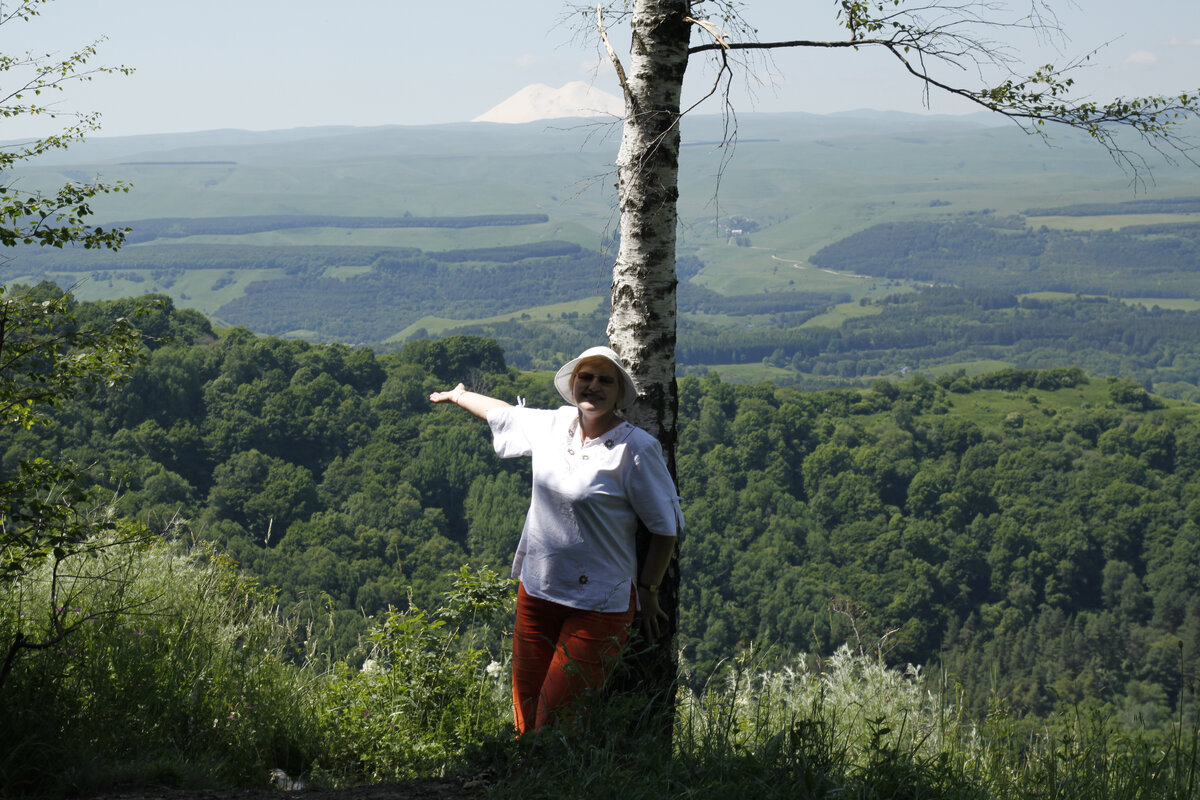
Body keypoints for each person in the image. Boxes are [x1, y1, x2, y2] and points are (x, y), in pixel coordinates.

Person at [429, 345, 682, 733]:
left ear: (618, 393)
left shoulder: (636, 450)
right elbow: (503, 414)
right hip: (538, 592)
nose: (593, 386)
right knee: (525, 715)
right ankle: (524, 782)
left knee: (557, 722)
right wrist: (459, 396)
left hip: (598, 606)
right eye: (586, 377)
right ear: (573, 383)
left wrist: (649, 590)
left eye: (605, 380)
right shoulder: (553, 426)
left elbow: (665, 528)